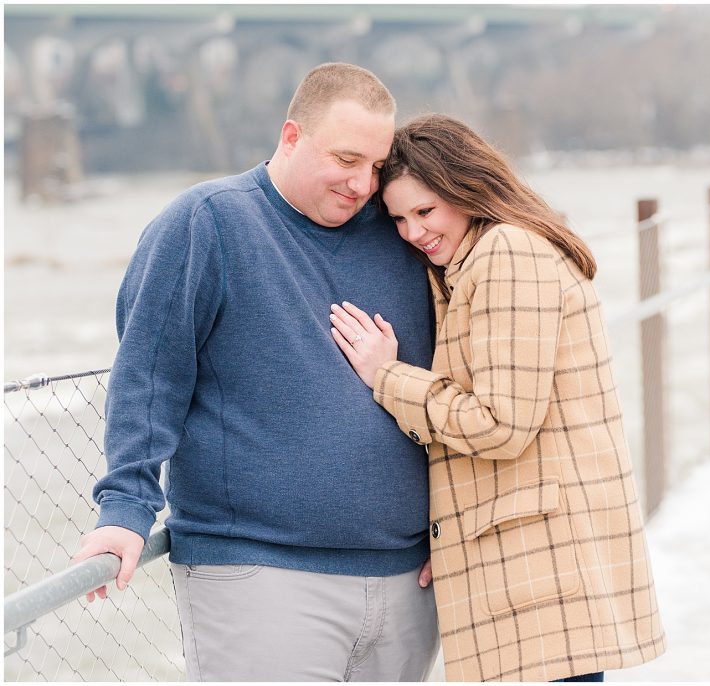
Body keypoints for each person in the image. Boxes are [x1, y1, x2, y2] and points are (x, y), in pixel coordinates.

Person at [70, 63, 440, 681]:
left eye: (376, 167)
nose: (362, 184)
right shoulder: (207, 223)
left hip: (408, 580)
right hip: (259, 576)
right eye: (346, 159)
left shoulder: (406, 235)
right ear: (291, 137)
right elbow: (148, 379)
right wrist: (124, 511)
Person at [330, 114, 667, 682]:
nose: (413, 233)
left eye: (425, 211)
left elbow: (501, 425)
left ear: (466, 187)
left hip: (542, 571)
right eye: (400, 220)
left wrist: (387, 376)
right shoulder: (471, 263)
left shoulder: (508, 253)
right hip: (527, 566)